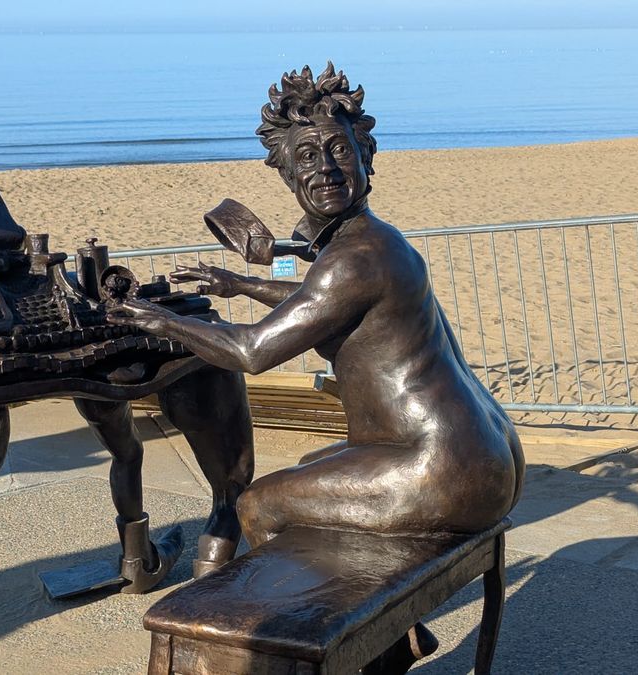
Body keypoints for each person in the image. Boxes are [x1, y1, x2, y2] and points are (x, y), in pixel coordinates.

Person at [108, 63, 525, 672]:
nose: (324, 169)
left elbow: (252, 352)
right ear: (285, 171)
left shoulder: (351, 259)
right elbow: (320, 308)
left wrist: (159, 320)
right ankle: (393, 637)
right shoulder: (377, 242)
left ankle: (286, 642)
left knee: (260, 505)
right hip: (479, 453)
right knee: (311, 468)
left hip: (441, 468)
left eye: (339, 152)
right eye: (306, 157)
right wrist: (239, 282)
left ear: (366, 159)